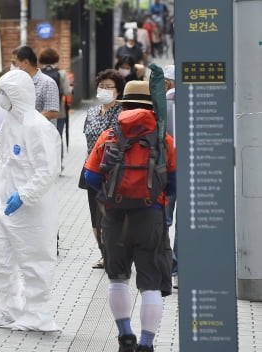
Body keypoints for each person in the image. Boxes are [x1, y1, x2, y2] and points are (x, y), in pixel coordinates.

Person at [84, 80, 176, 352]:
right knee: (150, 283)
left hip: (114, 215)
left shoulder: (110, 135)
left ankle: (125, 337)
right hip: (150, 216)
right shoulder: (163, 139)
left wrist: (112, 193)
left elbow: (90, 176)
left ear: (124, 104)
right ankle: (147, 345)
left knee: (117, 278)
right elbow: (174, 182)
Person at [0, 69, 61, 331]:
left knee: (34, 259)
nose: (0, 98)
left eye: (5, 92)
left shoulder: (39, 127)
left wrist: (25, 195)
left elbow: (47, 169)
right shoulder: (10, 122)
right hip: (5, 203)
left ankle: (38, 314)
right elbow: (2, 159)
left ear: (19, 94)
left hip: (32, 209)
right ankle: (7, 308)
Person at [81, 69, 125, 270]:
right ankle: (104, 254)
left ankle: (115, 255)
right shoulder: (91, 112)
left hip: (113, 170)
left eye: (109, 87)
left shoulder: (122, 113)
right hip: (91, 169)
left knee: (112, 215)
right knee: (95, 217)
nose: (104, 90)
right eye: (101, 86)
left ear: (118, 91)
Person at [10, 45, 59, 121]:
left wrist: (28, 119)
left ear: (26, 62)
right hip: (20, 131)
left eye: (14, 63)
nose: (12, 67)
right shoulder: (17, 83)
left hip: (41, 132)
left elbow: (52, 112)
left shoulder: (47, 83)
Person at [163, 64, 178, 288]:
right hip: (190, 169)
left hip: (164, 170)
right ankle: (179, 267)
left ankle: (167, 265)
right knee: (184, 222)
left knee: (162, 220)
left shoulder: (160, 104)